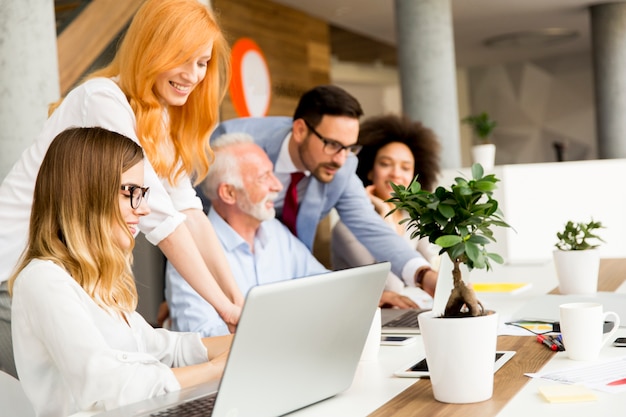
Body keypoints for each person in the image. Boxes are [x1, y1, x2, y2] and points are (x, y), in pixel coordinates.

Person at [0, 0, 242, 377]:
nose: (194, 75)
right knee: (94, 392)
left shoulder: (158, 117)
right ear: (153, 48)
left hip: (69, 279)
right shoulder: (101, 99)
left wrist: (238, 299)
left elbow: (190, 213)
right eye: (183, 58)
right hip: (12, 274)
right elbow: (162, 220)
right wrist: (224, 310)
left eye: (203, 62)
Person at [9, 127, 232, 417]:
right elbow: (111, 388)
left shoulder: (96, 279)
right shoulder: (44, 281)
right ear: (85, 193)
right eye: (131, 192)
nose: (144, 209)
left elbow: (157, 346)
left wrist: (241, 344)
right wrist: (215, 369)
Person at [208, 85, 438, 299]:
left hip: (293, 278)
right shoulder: (231, 146)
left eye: (349, 148)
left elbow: (370, 227)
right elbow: (191, 215)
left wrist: (423, 276)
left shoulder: (342, 164)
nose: (340, 159)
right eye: (333, 144)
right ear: (300, 130)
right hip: (223, 269)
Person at [166, 133, 329, 336]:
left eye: (272, 174)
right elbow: (202, 337)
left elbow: (326, 286)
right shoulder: (189, 250)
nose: (277, 186)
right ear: (229, 193)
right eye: (263, 178)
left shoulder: (275, 232)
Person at [332, 114, 442, 294]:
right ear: (369, 171)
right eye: (385, 164)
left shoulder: (411, 217)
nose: (396, 174)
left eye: (405, 168)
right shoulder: (347, 228)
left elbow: (433, 267)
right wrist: (385, 214)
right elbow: (391, 287)